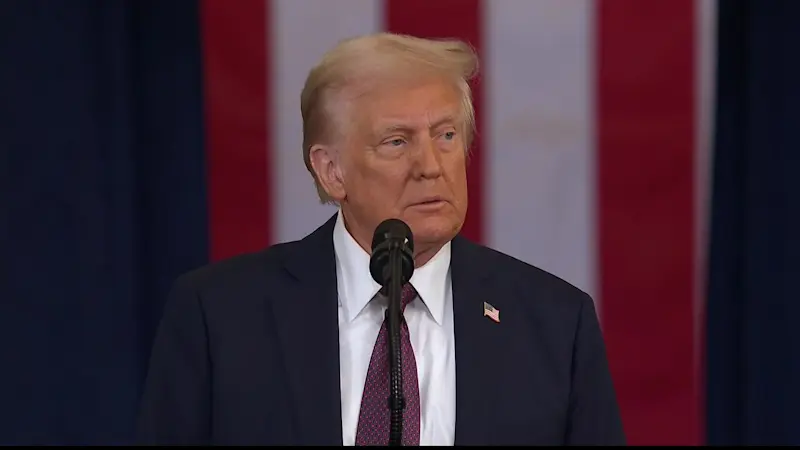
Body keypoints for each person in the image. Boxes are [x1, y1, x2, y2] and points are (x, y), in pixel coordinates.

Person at [135, 32, 626, 446]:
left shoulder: (556, 325)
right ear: (332, 172)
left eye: (446, 136)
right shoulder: (219, 316)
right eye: (397, 141)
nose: (431, 166)